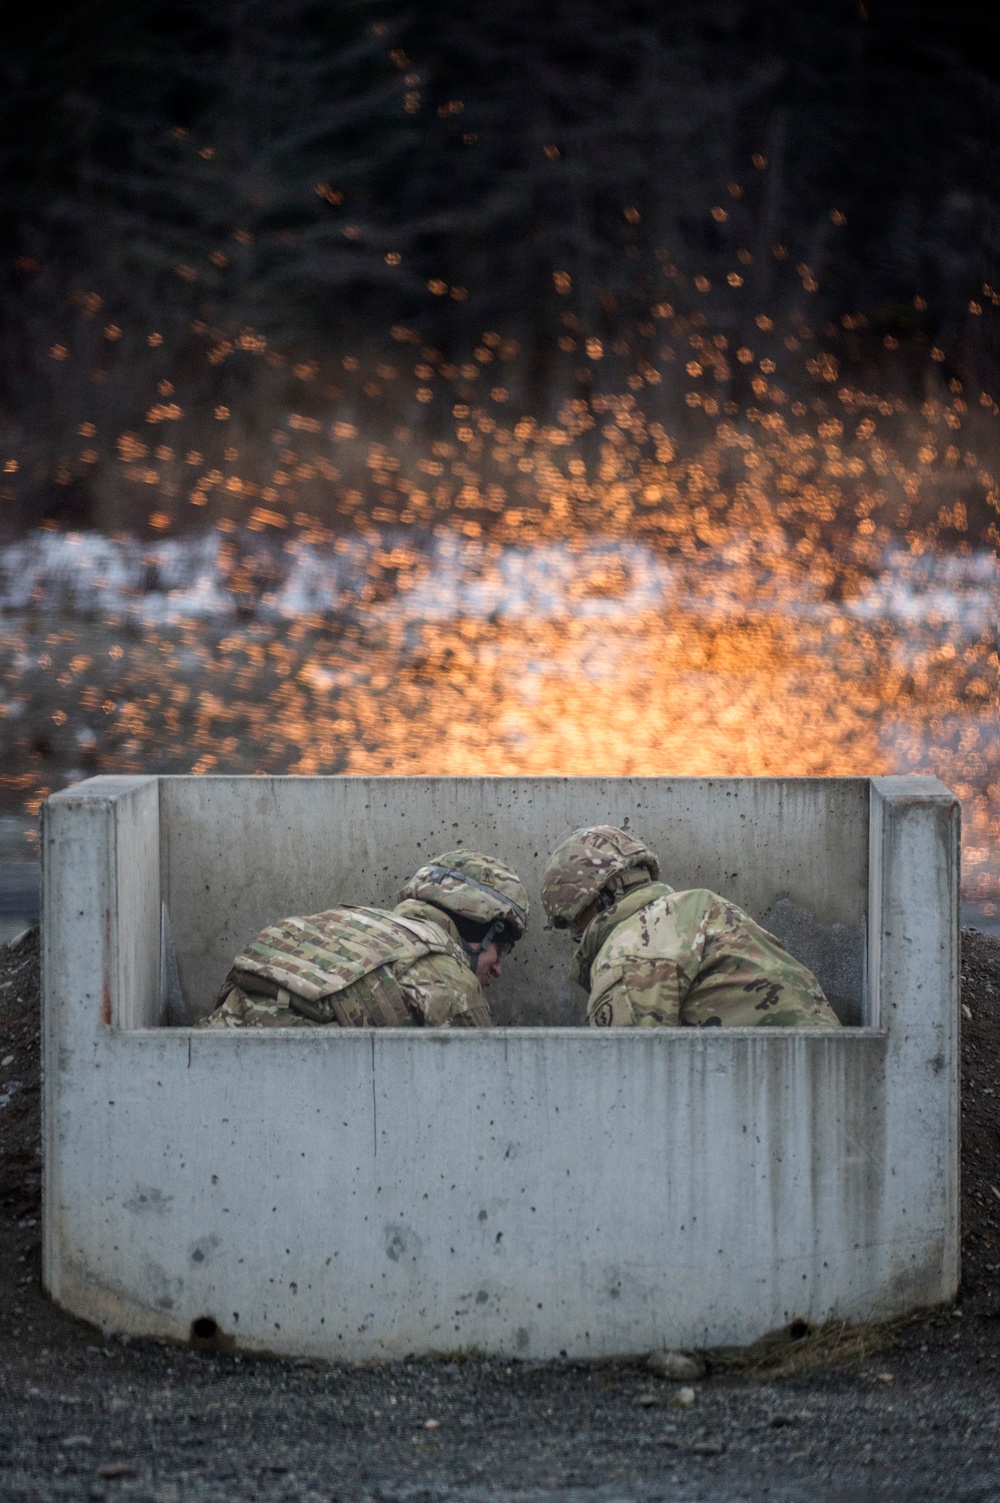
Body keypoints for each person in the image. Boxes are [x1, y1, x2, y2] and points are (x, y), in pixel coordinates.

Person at [541, 825, 841, 1029]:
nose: (576, 936)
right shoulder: (703, 906)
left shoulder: (629, 949)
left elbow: (626, 1076)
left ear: (596, 901)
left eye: (572, 924)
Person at [199, 849, 528, 1029]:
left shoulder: (337, 921)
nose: (498, 969)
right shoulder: (451, 980)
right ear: (478, 932)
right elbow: (481, 1090)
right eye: (499, 950)